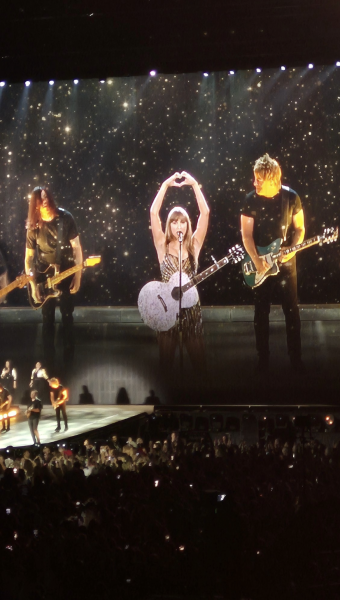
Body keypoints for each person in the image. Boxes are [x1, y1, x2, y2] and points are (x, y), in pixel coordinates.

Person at [240, 154, 305, 372]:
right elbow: (247, 235)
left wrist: (292, 249)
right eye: (255, 178)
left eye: (259, 179)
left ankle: (296, 360)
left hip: (286, 264)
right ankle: (263, 359)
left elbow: (300, 229)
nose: (254, 183)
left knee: (292, 311)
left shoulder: (291, 198)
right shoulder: (250, 200)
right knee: (261, 312)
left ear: (272, 179)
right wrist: (257, 262)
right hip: (260, 263)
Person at [150, 171, 210, 372]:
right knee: (165, 361)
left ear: (187, 224)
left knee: (199, 361)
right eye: (174, 221)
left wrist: (194, 185)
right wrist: (165, 185)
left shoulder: (194, 245)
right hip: (166, 306)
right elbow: (153, 213)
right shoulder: (162, 245)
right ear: (169, 225)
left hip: (191, 306)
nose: (179, 225)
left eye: (182, 221)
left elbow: (205, 213)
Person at [25, 187, 83, 369]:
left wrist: (78, 276)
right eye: (40, 199)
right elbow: (27, 258)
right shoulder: (34, 226)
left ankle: (69, 362)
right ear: (34, 204)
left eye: (46, 198)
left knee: (67, 317)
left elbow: (77, 249)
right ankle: (48, 362)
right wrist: (33, 285)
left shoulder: (66, 219)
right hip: (43, 278)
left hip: (65, 273)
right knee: (47, 319)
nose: (45, 202)